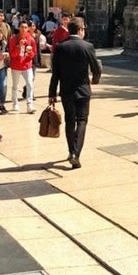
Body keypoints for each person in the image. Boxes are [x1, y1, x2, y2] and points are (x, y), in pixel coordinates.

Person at [48, 17, 102, 169]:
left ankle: (71, 151)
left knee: (70, 121)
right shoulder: (87, 46)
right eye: (83, 29)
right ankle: (75, 154)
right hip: (83, 89)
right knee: (82, 121)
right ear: (80, 30)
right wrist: (95, 80)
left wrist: (52, 93)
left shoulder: (60, 47)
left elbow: (55, 73)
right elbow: (96, 68)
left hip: (66, 90)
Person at [8, 20, 37, 114]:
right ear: (19, 28)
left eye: (25, 27)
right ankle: (15, 103)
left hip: (27, 66)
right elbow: (12, 54)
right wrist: (18, 46)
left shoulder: (31, 39)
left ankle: (29, 104)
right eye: (22, 27)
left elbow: (33, 55)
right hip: (16, 66)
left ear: (28, 29)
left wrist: (30, 52)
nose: (24, 29)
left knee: (30, 84)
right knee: (15, 86)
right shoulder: (13, 39)